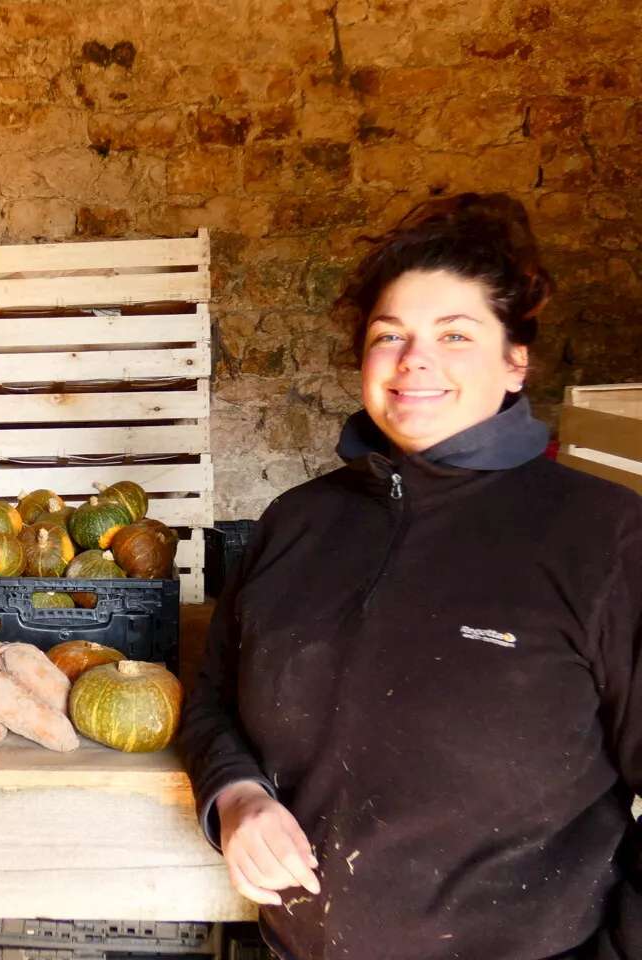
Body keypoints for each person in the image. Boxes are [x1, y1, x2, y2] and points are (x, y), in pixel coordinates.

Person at [180, 193, 642, 960]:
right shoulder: (296, 524)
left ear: (515, 362)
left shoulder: (602, 538)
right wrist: (236, 796)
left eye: (455, 335)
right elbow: (212, 700)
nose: (414, 360)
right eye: (388, 335)